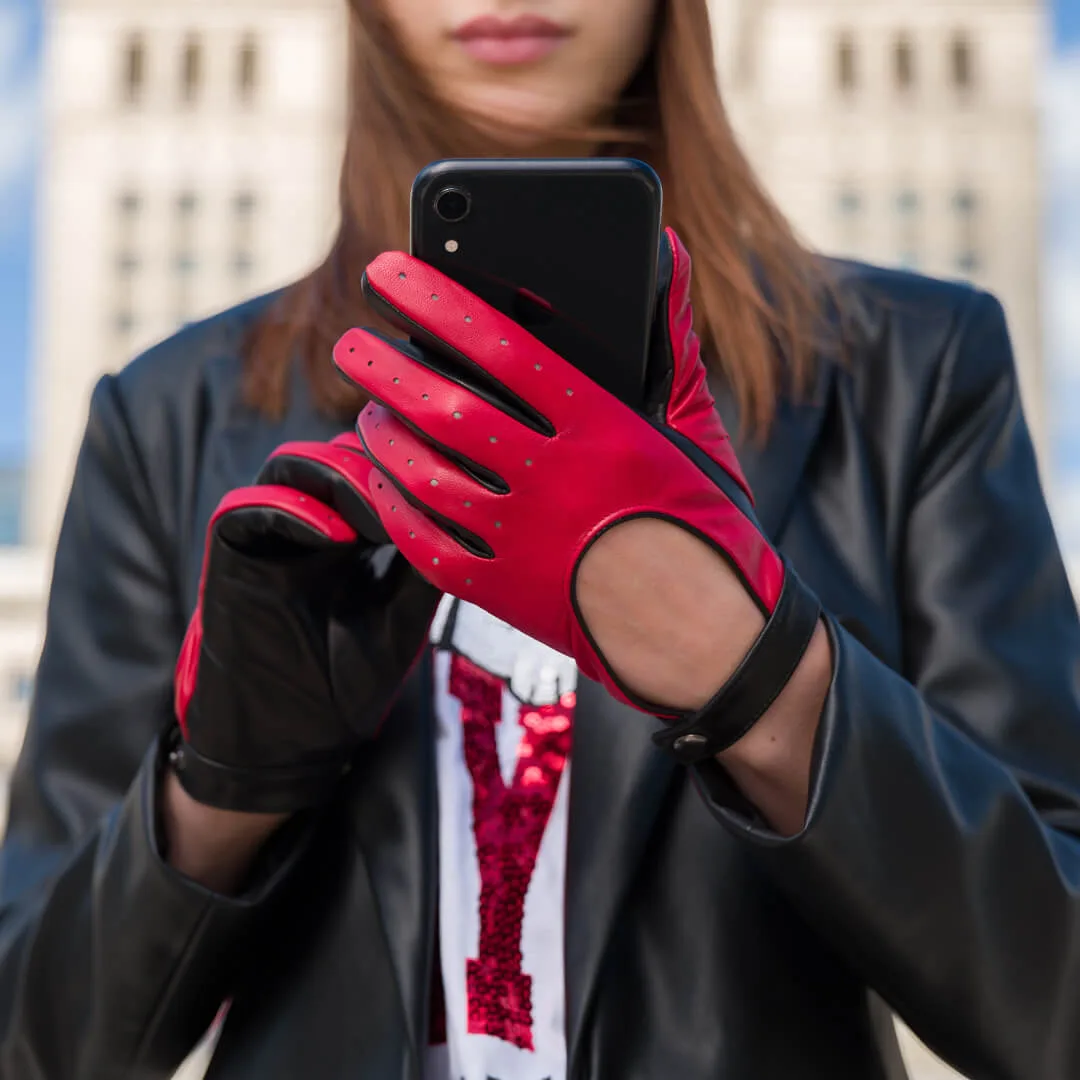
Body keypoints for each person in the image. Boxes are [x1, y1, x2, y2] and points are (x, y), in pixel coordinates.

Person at [2, 0, 1079, 1077]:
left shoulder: (910, 371)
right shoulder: (166, 417)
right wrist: (224, 787)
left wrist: (762, 684)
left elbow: (1056, 1005)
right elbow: (36, 1043)